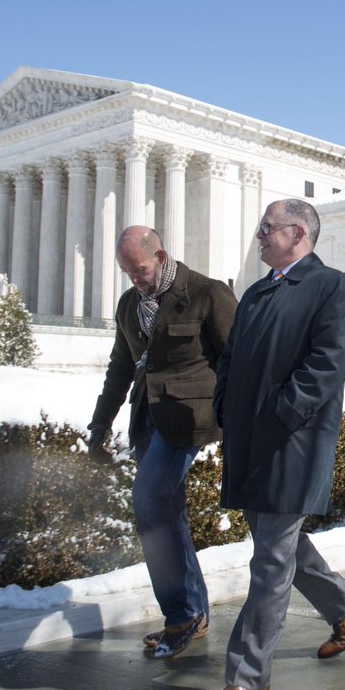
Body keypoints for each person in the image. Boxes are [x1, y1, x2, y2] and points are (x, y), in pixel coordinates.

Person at [201, 199, 345, 690]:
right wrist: (226, 404)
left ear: (297, 233)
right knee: (281, 547)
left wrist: (277, 413)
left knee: (270, 561)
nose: (259, 235)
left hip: (292, 441)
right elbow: (229, 357)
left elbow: (326, 366)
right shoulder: (255, 293)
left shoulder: (330, 287)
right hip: (251, 441)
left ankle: (247, 678)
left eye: (266, 228)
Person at [87, 226, 235, 659]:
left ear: (161, 255)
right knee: (169, 513)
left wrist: (242, 422)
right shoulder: (129, 306)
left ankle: (180, 616)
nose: (135, 279)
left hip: (191, 419)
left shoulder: (208, 294)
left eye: (140, 269)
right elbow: (120, 367)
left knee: (149, 500)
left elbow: (238, 360)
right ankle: (196, 611)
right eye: (127, 273)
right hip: (146, 421)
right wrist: (99, 426)